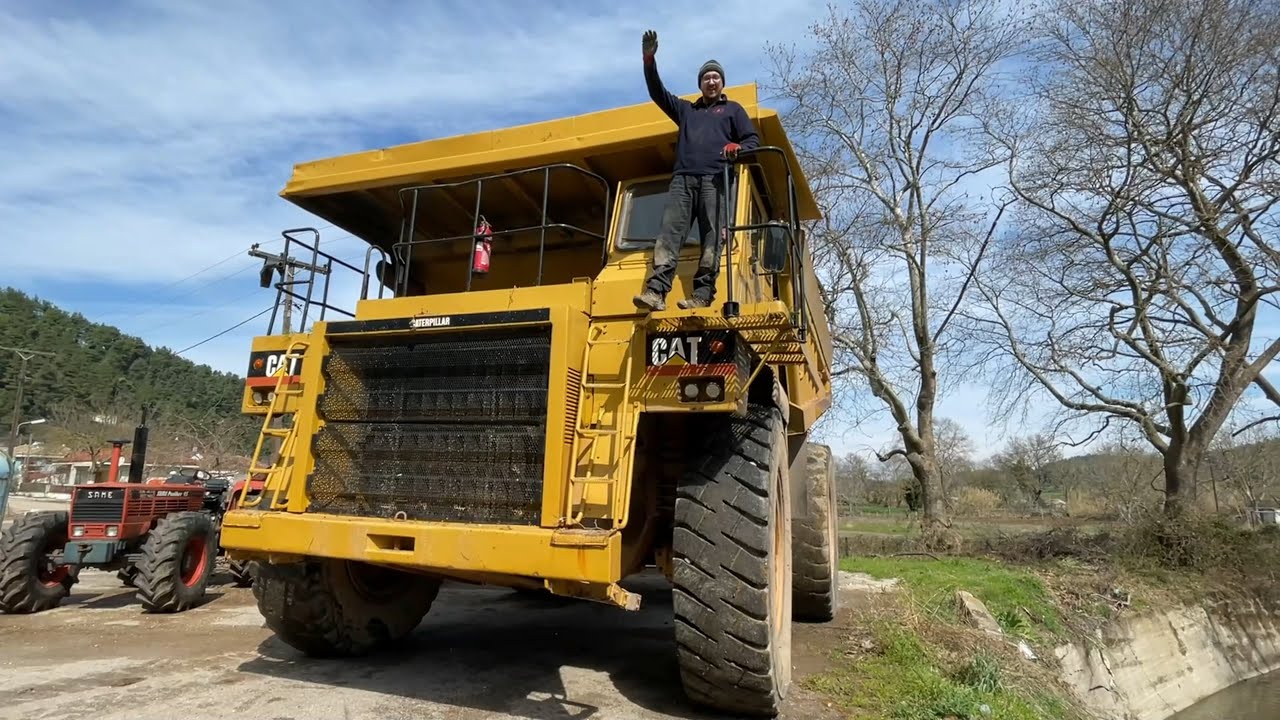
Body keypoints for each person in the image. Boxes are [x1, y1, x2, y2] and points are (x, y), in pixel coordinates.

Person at [632, 29, 759, 313]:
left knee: (713, 239)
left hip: (716, 181)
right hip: (683, 181)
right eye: (706, 77)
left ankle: (702, 294)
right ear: (700, 84)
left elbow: (753, 141)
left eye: (715, 77)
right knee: (669, 235)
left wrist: (736, 147)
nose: (711, 81)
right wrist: (649, 60)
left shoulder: (733, 110)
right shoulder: (686, 110)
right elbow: (657, 92)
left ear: (722, 83)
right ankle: (655, 292)